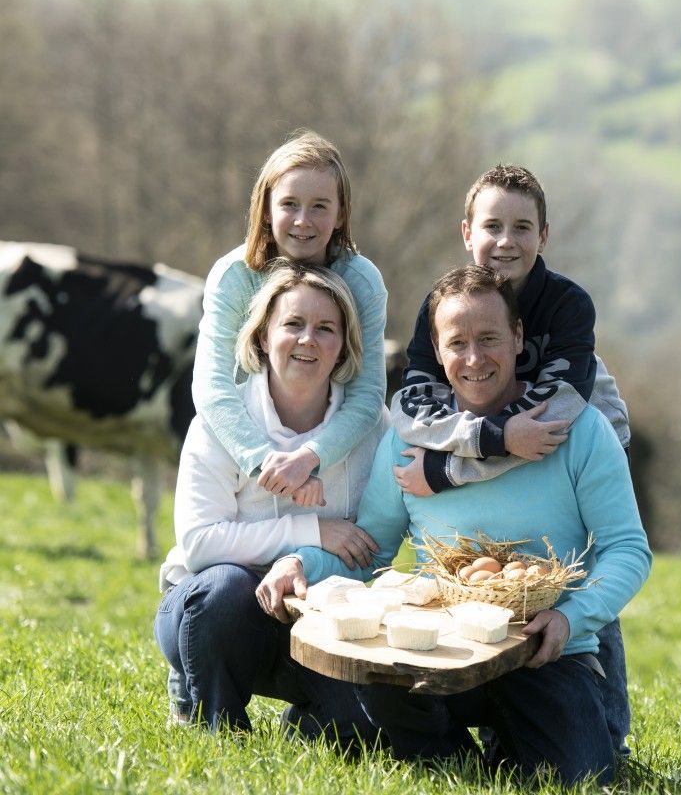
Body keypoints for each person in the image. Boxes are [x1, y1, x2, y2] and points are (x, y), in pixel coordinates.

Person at [265, 266, 651, 785]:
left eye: (489, 338)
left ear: (517, 337)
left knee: (580, 778)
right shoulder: (410, 438)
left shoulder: (578, 428)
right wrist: (299, 561)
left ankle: (511, 744)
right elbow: (372, 549)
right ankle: (443, 754)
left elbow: (627, 548)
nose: (474, 359)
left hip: (542, 651)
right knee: (386, 694)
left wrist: (570, 618)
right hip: (438, 652)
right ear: (437, 349)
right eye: (458, 343)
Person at [389, 164, 633, 753]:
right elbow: (412, 407)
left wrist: (447, 471)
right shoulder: (442, 305)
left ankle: (605, 714)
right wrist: (481, 447)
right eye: (492, 226)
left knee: (579, 564)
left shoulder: (568, 304)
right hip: (495, 429)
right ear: (466, 232)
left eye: (522, 227)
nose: (506, 241)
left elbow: (549, 421)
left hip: (577, 430)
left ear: (544, 236)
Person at [154, 261, 388, 736]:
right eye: (293, 324)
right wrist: (312, 531)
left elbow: (369, 545)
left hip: (316, 618)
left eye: (326, 328)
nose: (308, 339)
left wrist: (305, 562)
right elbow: (200, 543)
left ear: (343, 345)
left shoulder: (372, 427)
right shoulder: (222, 423)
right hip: (213, 611)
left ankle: (304, 719)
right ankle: (217, 723)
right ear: (262, 337)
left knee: (364, 730)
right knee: (223, 590)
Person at [193, 128, 387, 505]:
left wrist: (307, 459)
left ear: (341, 213)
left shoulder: (362, 281)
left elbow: (367, 395)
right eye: (289, 204)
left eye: (319, 206)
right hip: (244, 450)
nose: (303, 220)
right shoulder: (233, 276)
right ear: (266, 208)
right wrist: (266, 461)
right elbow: (212, 386)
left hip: (331, 452)